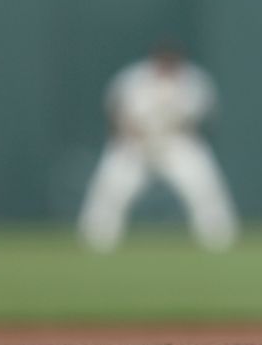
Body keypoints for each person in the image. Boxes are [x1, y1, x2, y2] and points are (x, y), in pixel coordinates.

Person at [77, 45, 238, 253]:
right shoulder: (133, 78)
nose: (166, 66)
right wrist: (127, 132)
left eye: (171, 62)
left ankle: (219, 238)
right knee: (111, 189)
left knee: (204, 188)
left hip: (176, 142)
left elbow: (201, 118)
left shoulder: (193, 81)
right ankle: (96, 238)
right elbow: (115, 110)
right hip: (135, 141)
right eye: (163, 61)